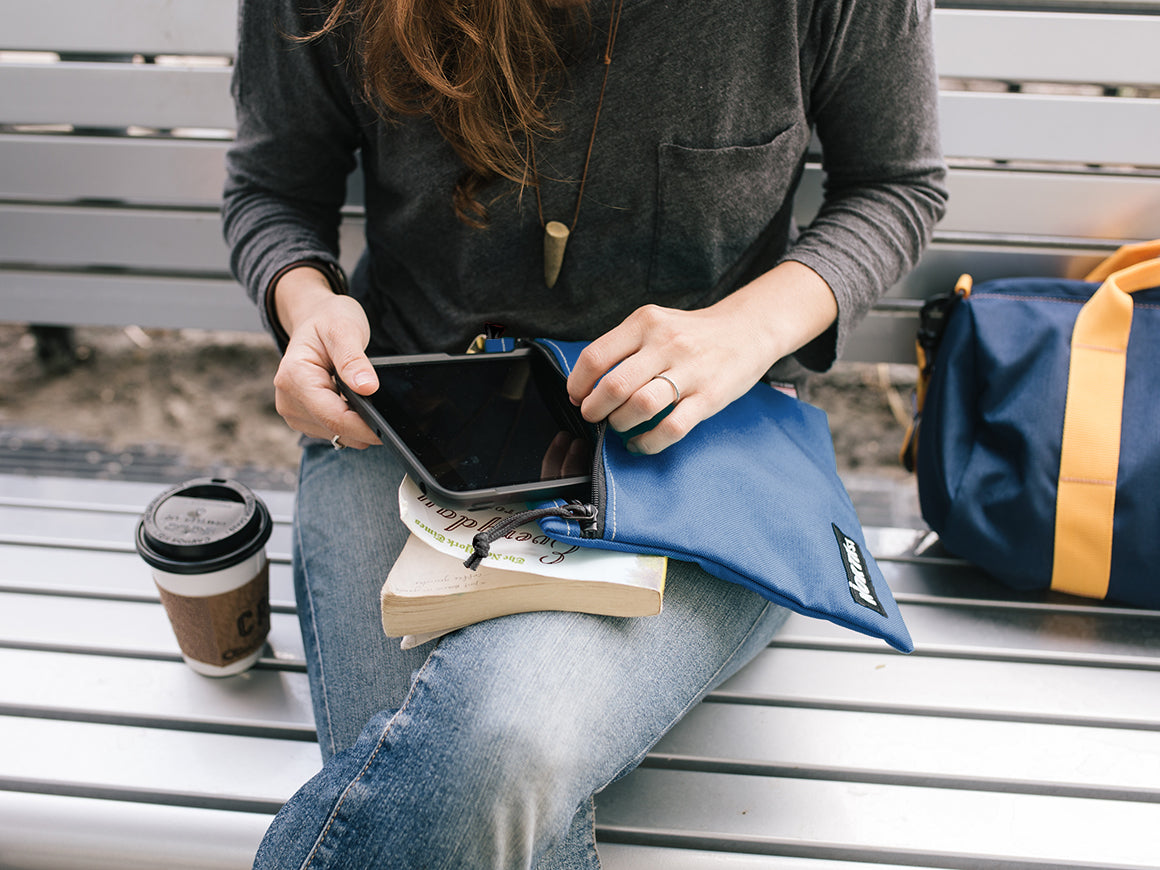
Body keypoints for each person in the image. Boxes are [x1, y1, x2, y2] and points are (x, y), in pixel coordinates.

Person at [223, 0, 947, 865]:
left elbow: (899, 184)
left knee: (501, 744)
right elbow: (272, 190)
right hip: (408, 426)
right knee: (475, 790)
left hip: (700, 452)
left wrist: (744, 330)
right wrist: (306, 305)